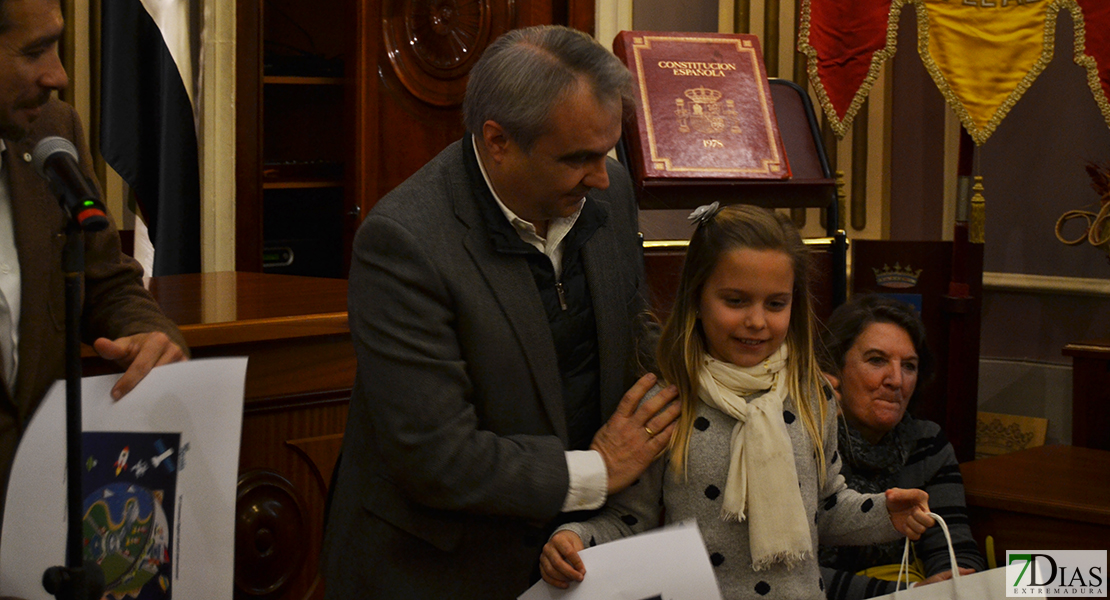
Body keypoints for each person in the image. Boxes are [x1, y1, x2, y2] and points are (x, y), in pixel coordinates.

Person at [321, 25, 680, 600]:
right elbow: (436, 456)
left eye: (608, 150)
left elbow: (635, 332)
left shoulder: (605, 188)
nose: (600, 176)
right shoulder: (404, 242)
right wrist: (598, 470)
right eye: (577, 158)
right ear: (497, 141)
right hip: (439, 570)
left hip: (578, 557)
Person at [540, 204, 934, 599]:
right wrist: (575, 538)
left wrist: (884, 513)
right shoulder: (668, 401)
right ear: (697, 297)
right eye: (736, 301)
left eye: (776, 304)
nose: (757, 321)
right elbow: (630, 520)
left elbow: (826, 507)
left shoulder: (811, 394)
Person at [0, 0, 188, 534]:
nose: (57, 74)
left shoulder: (52, 131)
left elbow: (106, 280)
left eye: (56, 43)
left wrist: (148, 333)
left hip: (41, 520)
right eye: (34, 50)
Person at [817, 294, 986, 598]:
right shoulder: (803, 439)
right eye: (877, 360)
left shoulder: (927, 443)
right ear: (835, 368)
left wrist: (949, 582)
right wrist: (904, 593)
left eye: (909, 366)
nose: (896, 380)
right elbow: (787, 574)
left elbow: (956, 549)